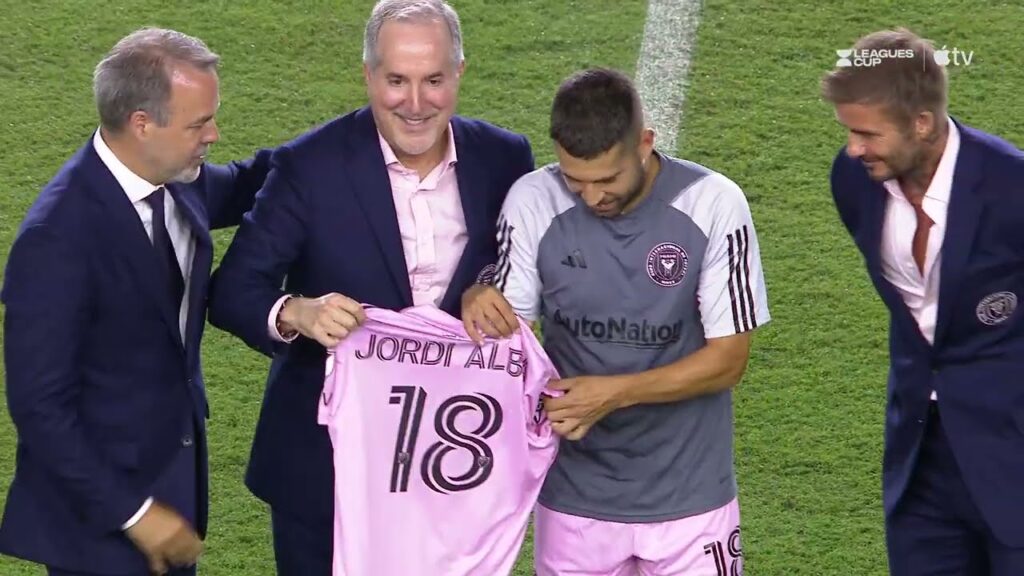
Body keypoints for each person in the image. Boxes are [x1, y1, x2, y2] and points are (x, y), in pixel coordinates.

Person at [206, 0, 534, 573]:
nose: (415, 103)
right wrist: (297, 313)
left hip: (452, 466)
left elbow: (526, 267)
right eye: (397, 81)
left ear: (459, 72)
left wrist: (488, 287)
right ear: (368, 76)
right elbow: (235, 289)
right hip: (325, 468)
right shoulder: (309, 165)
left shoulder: (505, 157)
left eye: (433, 80)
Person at [462, 68, 769, 576]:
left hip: (691, 504)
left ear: (645, 144)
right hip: (573, 503)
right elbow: (505, 344)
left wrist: (613, 394)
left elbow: (727, 362)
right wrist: (480, 296)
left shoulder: (713, 204)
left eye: (607, 180)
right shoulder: (533, 201)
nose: (590, 197)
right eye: (574, 179)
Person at [0, 28, 273, 576]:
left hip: (170, 486)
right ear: (142, 124)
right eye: (199, 123)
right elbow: (39, 407)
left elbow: (246, 184)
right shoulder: (58, 238)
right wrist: (135, 514)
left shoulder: (175, 177)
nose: (214, 135)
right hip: (102, 518)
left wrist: (357, 137)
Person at [823, 28, 1024, 575]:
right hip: (920, 466)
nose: (853, 148)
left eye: (867, 133)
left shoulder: (1011, 188)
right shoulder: (854, 182)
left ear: (922, 124)